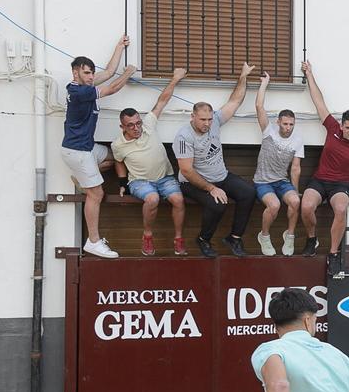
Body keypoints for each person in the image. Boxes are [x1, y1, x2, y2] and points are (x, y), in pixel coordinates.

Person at [299, 61, 349, 276]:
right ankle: (311, 239)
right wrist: (309, 74)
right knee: (306, 207)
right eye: (348, 128)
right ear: (342, 125)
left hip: (340, 185)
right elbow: (318, 101)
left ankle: (333, 255)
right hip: (319, 180)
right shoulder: (332, 128)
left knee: (342, 209)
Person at [61, 36, 136, 258]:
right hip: (77, 152)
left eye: (92, 73)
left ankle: (83, 179)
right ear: (76, 73)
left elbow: (110, 72)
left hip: (87, 148)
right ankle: (93, 241)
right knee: (97, 194)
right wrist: (130, 72)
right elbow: (112, 88)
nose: (92, 77)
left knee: (114, 156)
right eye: (87, 73)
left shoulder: (87, 85)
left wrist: (119, 47)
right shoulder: (79, 92)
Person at [174, 62, 257, 258]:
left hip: (221, 176)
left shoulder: (215, 122)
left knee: (248, 193)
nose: (207, 123)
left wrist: (243, 76)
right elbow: (186, 171)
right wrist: (211, 188)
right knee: (218, 204)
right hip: (192, 182)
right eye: (202, 120)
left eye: (209, 119)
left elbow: (235, 101)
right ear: (193, 117)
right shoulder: (184, 136)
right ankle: (203, 239)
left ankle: (234, 238)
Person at [112, 67, 188, 256]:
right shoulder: (118, 145)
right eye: (131, 125)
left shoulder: (149, 124)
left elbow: (162, 100)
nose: (136, 128)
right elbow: (119, 161)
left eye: (138, 123)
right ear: (122, 126)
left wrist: (175, 78)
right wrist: (123, 183)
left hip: (165, 177)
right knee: (152, 198)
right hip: (140, 181)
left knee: (178, 199)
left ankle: (178, 239)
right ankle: (147, 236)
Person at [253, 72, 305, 257]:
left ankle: (289, 236)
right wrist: (265, 83)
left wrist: (295, 189)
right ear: (278, 122)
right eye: (285, 124)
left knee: (295, 201)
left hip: (282, 181)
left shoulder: (298, 140)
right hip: (263, 181)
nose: (288, 128)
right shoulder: (269, 131)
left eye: (291, 124)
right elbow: (259, 106)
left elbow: (296, 168)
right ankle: (264, 236)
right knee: (274, 206)